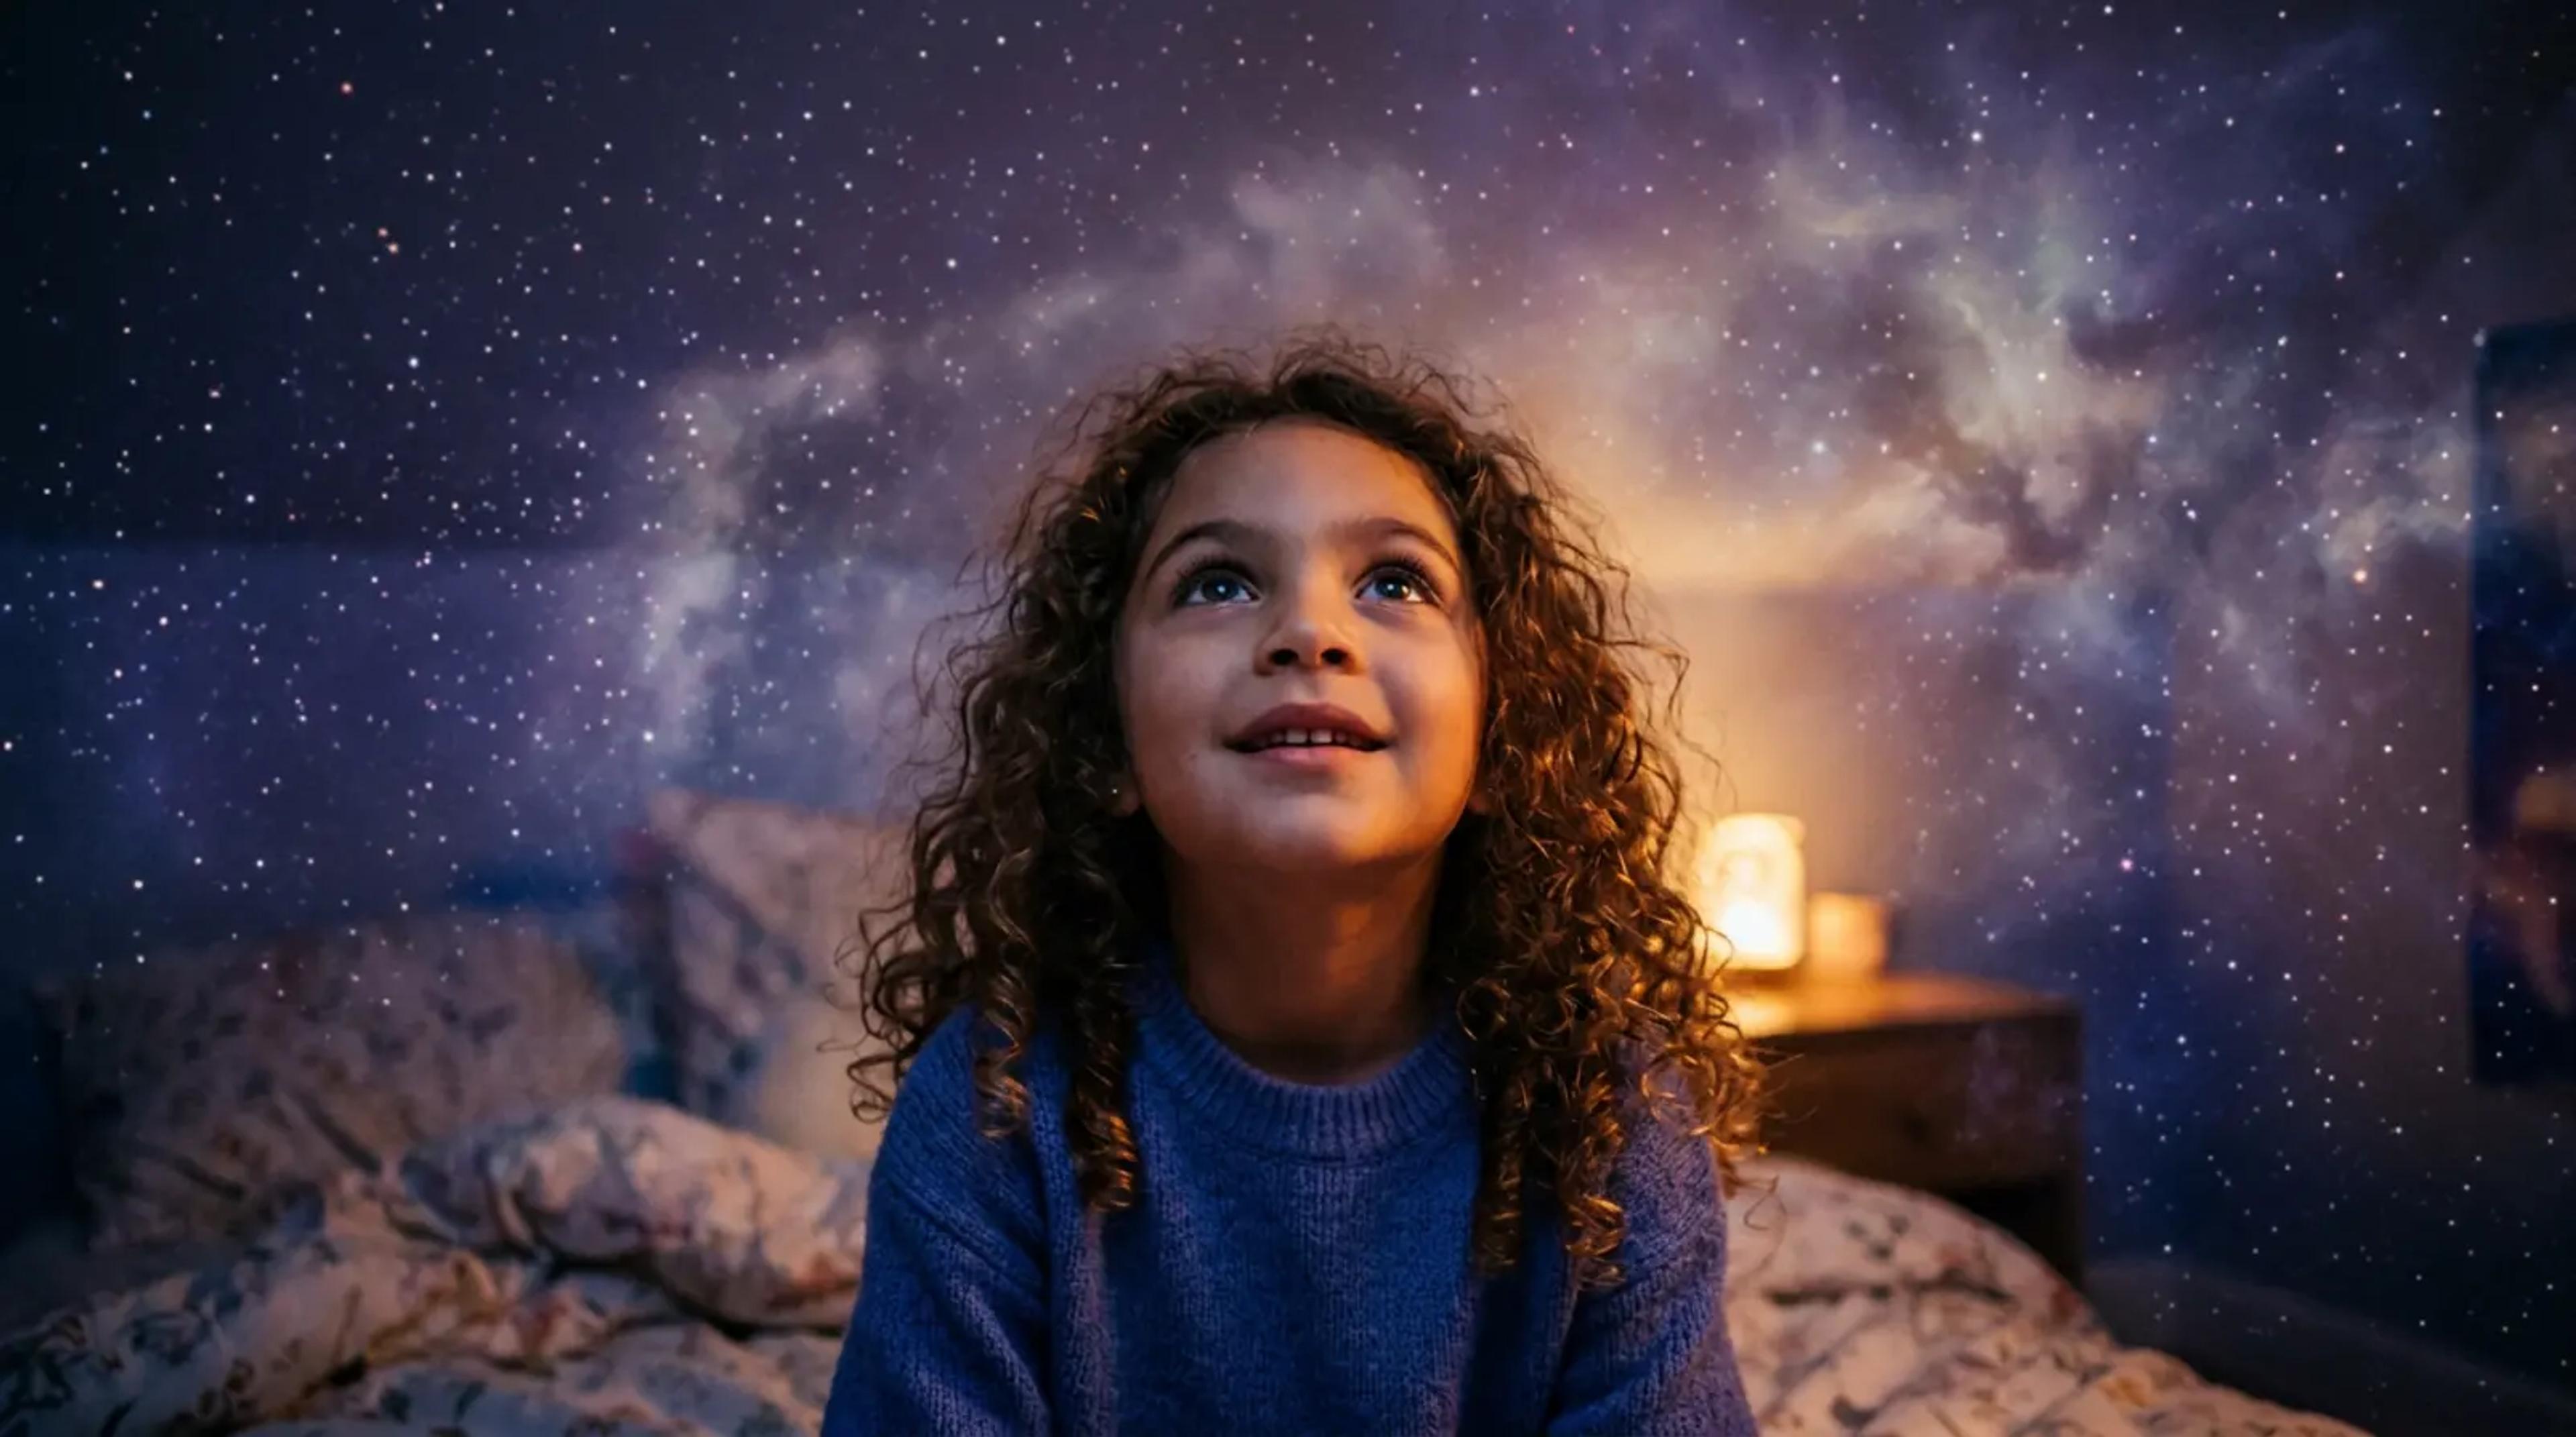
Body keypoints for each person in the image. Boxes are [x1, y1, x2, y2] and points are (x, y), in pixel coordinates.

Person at [821, 327, 1766, 1435]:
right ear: (1102, 743)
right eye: (1218, 582)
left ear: (1505, 735)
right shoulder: (993, 1107)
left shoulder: (1606, 1112)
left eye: (1395, 580)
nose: (1310, 631)